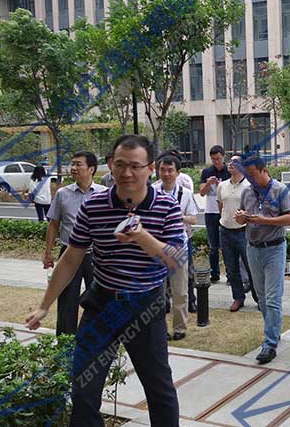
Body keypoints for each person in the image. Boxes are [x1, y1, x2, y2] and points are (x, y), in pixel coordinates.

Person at [26, 135, 184, 426]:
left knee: (159, 389)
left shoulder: (167, 206)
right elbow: (71, 258)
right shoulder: (94, 205)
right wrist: (44, 306)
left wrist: (141, 235)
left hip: (145, 307)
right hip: (101, 305)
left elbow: (174, 261)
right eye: (120, 165)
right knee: (83, 388)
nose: (126, 173)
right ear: (110, 165)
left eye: (135, 166)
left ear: (150, 168)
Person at [234, 155, 290, 364]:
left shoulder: (279, 190)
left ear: (264, 170)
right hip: (253, 248)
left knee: (272, 298)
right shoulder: (247, 192)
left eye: (253, 175)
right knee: (261, 298)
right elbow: (242, 217)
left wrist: (265, 220)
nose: (250, 179)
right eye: (247, 176)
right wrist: (241, 218)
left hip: (274, 248)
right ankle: (274, 330)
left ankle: (269, 344)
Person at [43, 151, 107, 336]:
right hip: (69, 253)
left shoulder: (104, 194)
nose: (73, 168)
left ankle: (98, 339)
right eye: (72, 164)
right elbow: (53, 224)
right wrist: (48, 252)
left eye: (78, 164)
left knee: (100, 298)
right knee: (67, 300)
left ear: (91, 169)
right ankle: (65, 341)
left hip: (97, 254)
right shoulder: (63, 194)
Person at [153, 154, 199, 340]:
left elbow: (193, 218)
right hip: (156, 247)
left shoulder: (185, 193)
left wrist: (177, 216)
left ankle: (180, 327)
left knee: (180, 290)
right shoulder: (151, 191)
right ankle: (159, 328)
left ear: (177, 172)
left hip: (179, 248)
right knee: (157, 292)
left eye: (170, 170)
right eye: (163, 170)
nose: (166, 174)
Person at [218, 153, 257, 312]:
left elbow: (253, 208)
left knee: (251, 267)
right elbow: (221, 206)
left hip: (243, 232)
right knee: (231, 268)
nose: (231, 164)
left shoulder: (249, 186)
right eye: (230, 161)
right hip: (225, 231)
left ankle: (259, 298)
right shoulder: (222, 185)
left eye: (235, 162)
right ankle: (238, 298)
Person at [199, 145, 231, 283]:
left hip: (225, 211)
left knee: (227, 246)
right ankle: (215, 274)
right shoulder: (207, 172)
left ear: (223, 156)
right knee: (213, 246)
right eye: (213, 159)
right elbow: (202, 193)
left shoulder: (229, 171)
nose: (216, 161)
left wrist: (220, 185)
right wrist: (208, 184)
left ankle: (230, 275)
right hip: (211, 212)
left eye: (218, 158)